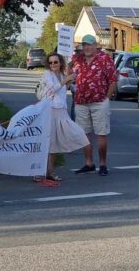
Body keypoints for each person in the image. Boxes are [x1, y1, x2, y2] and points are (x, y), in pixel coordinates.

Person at [36, 53, 90, 185]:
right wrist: (66, 80)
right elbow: (52, 90)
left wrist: (71, 79)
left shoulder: (61, 75)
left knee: (75, 135)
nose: (53, 65)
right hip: (51, 111)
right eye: (51, 62)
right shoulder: (47, 75)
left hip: (61, 111)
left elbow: (65, 89)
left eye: (56, 62)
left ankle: (49, 172)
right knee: (50, 142)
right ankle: (45, 172)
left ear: (60, 63)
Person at [71, 34, 117, 176]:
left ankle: (103, 164)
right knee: (84, 134)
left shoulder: (105, 59)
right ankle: (89, 163)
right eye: (84, 45)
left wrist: (106, 99)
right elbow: (69, 75)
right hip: (81, 102)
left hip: (99, 102)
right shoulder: (77, 60)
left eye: (90, 44)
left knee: (101, 133)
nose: (87, 47)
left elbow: (113, 80)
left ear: (96, 45)